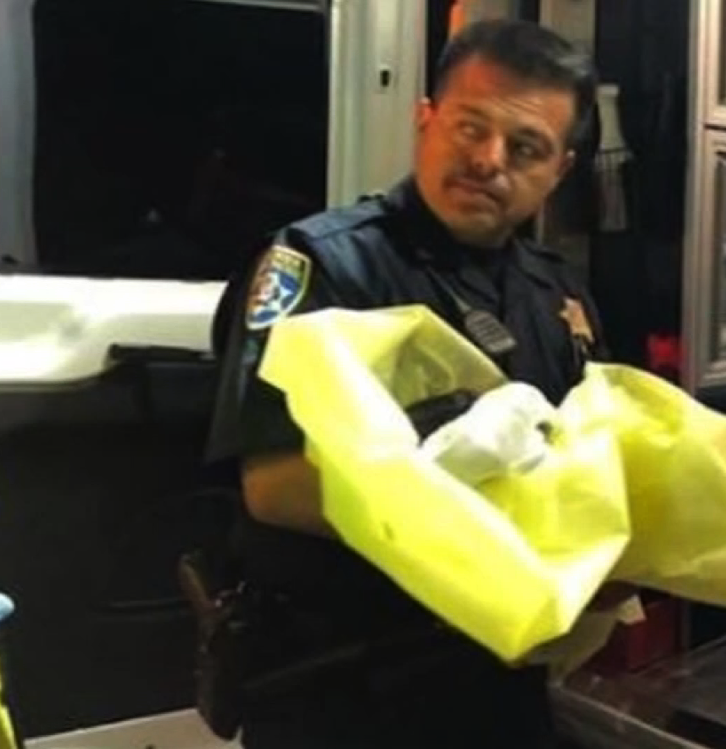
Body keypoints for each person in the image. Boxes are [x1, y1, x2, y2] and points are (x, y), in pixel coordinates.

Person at [205, 20, 615, 748]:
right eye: (470, 127)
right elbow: (275, 482)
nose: (489, 161)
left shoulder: (560, 297)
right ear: (425, 119)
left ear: (559, 169)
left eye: (525, 149)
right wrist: (499, 525)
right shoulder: (323, 266)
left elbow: (593, 454)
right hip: (345, 678)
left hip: (502, 668)